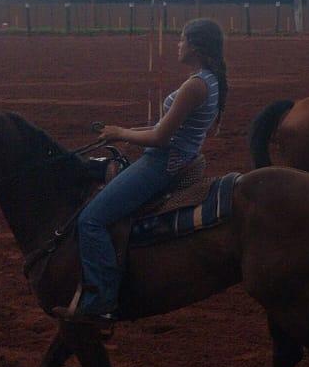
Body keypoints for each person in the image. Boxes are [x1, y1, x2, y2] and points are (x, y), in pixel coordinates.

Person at [55, 18, 227, 326]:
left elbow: (161, 138)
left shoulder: (194, 85)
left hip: (163, 163)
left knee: (91, 219)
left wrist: (121, 132)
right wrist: (120, 132)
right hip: (179, 157)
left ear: (196, 46)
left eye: (182, 38)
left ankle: (101, 301)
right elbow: (166, 129)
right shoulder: (210, 81)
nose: (178, 43)